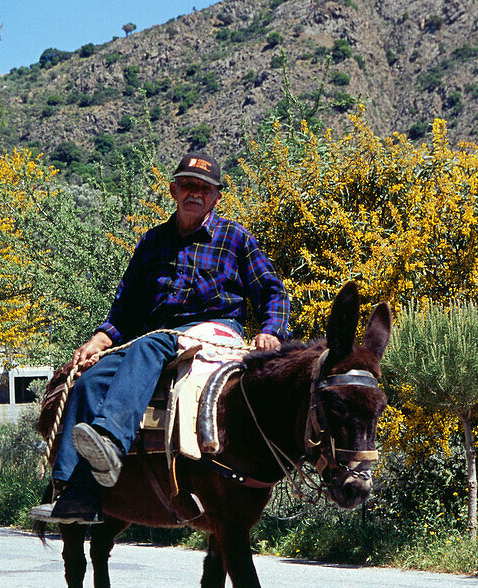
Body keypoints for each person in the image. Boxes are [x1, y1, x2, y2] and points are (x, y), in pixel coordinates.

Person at [29, 152, 290, 523]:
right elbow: (126, 307)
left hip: (215, 331)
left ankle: (110, 441)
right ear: (173, 190)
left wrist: (271, 331)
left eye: (204, 188)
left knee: (150, 345)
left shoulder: (235, 238)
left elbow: (273, 291)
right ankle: (74, 492)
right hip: (157, 337)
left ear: (217, 197)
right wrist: (100, 339)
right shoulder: (152, 242)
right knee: (89, 382)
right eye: (188, 185)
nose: (195, 193)